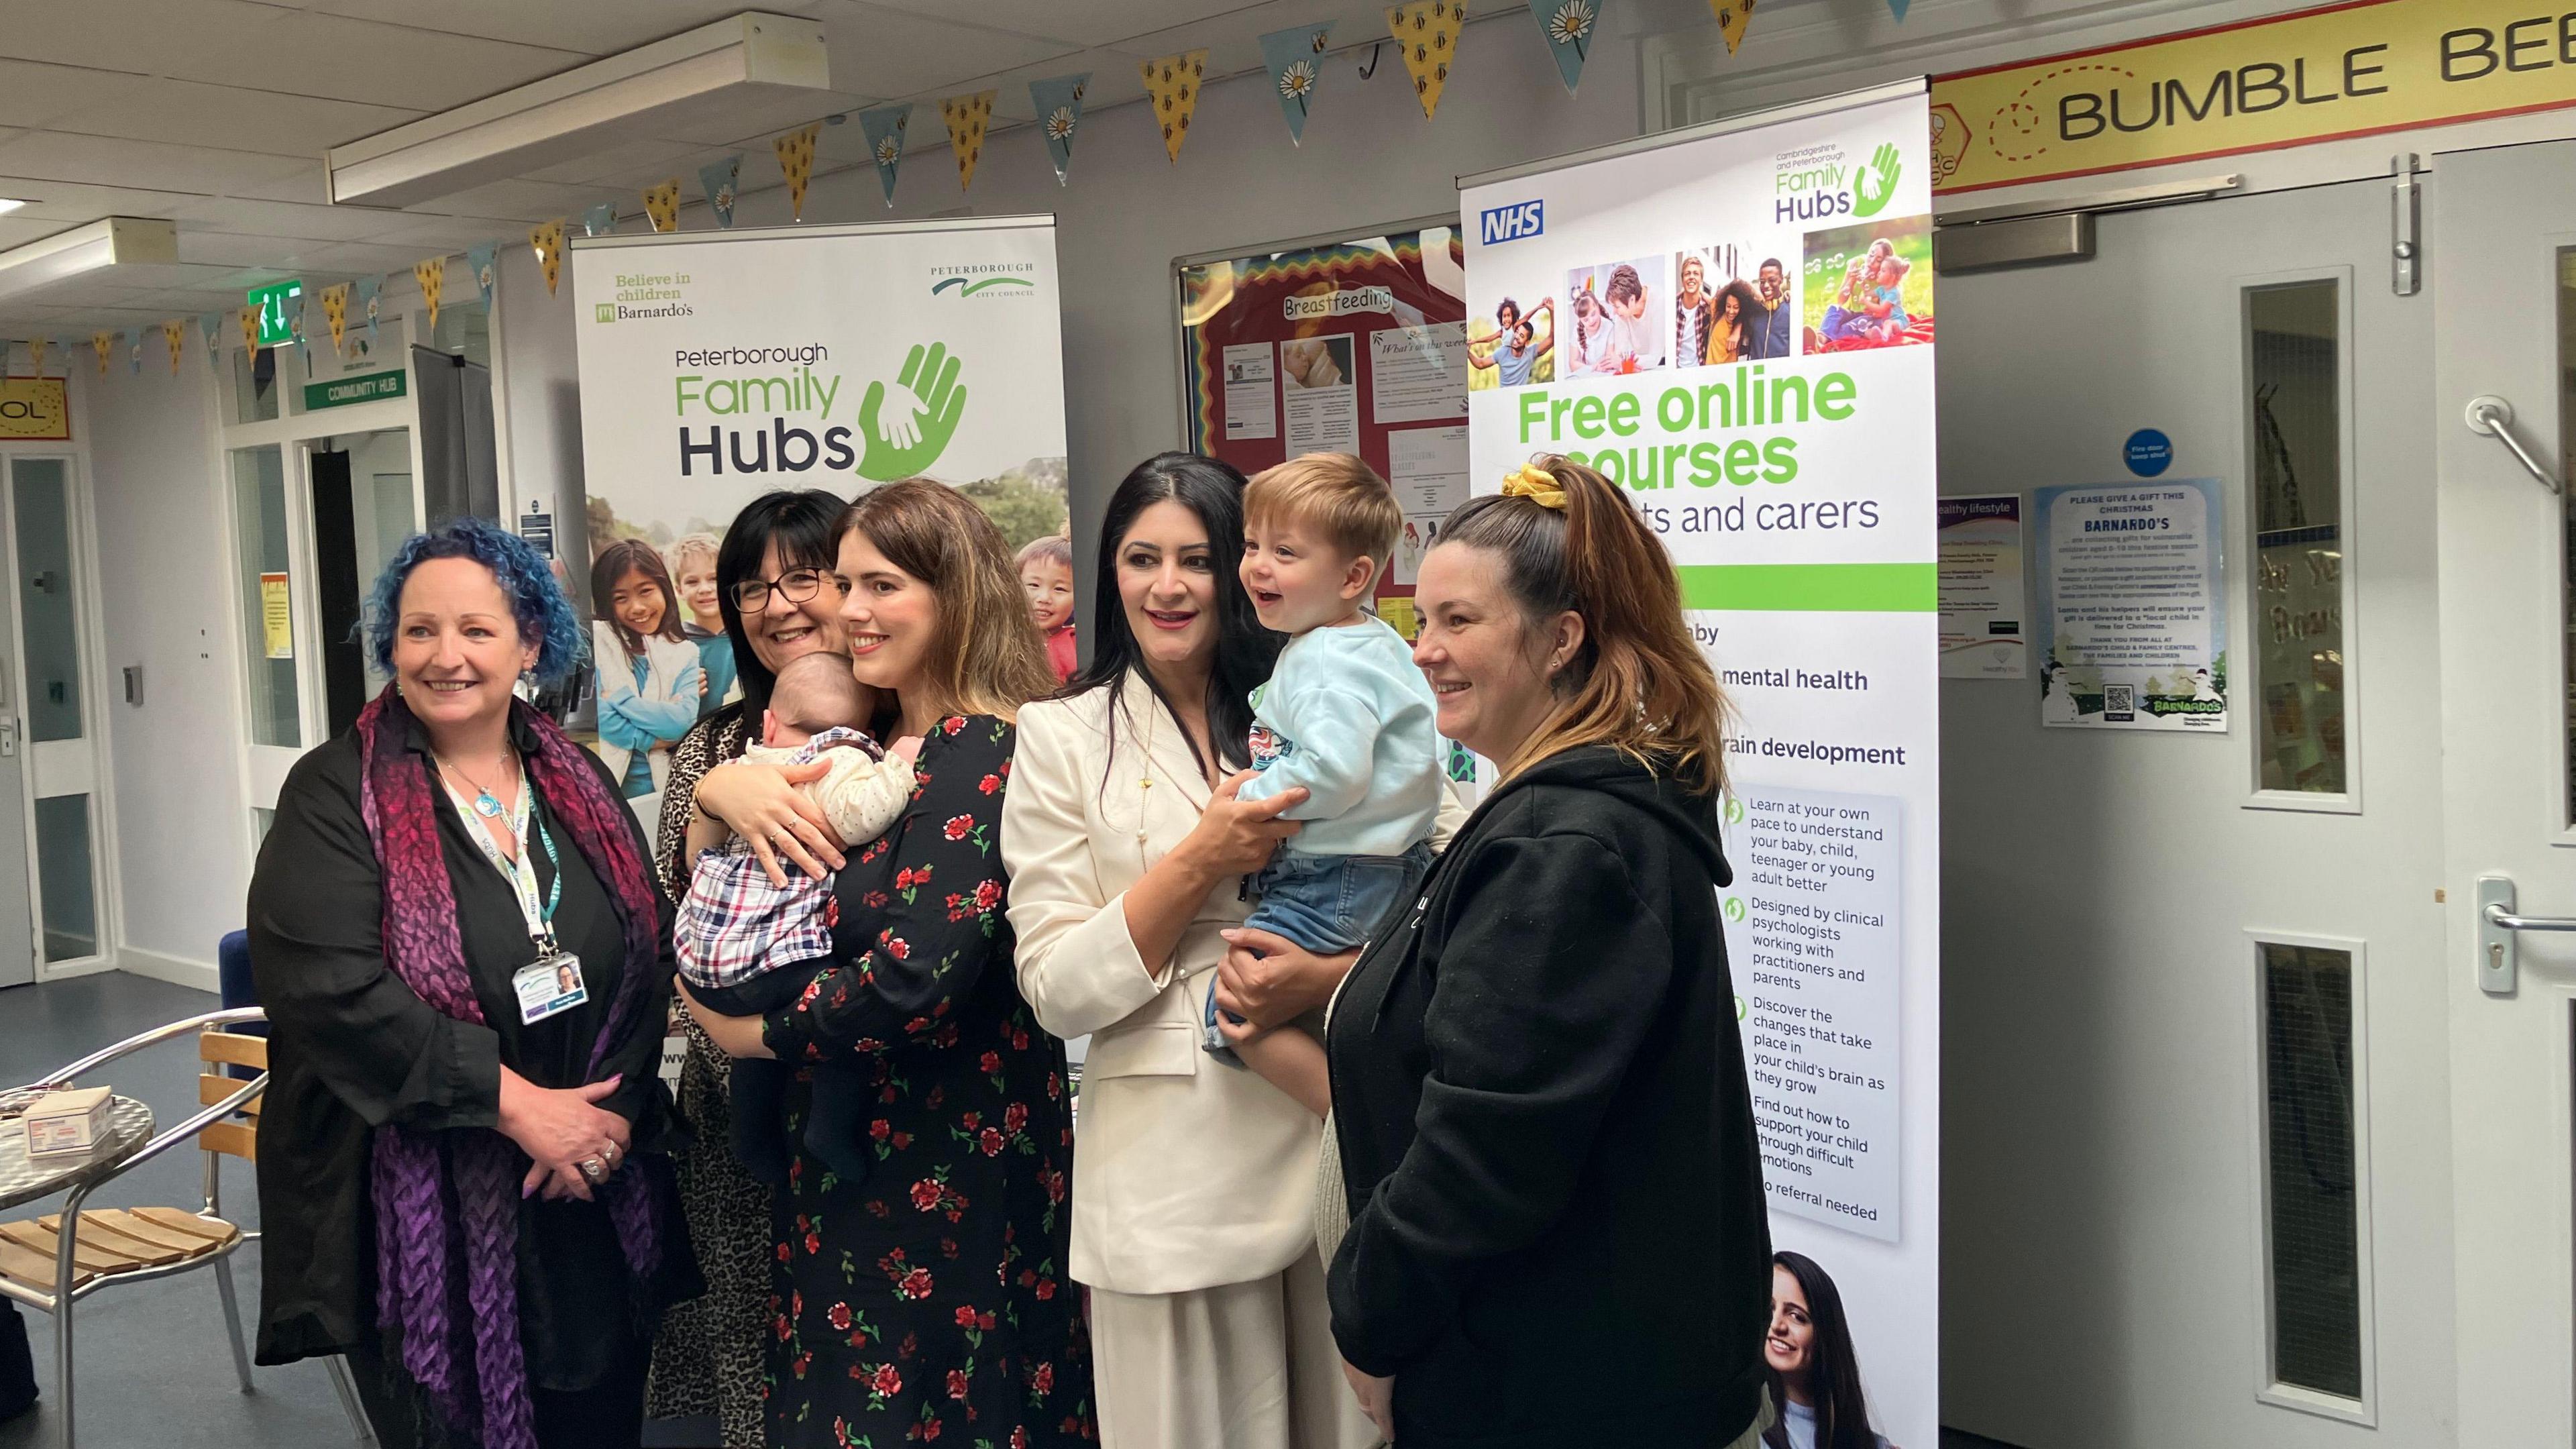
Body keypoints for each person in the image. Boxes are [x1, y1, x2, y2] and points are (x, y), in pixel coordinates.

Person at [1008, 452, 1456, 1449]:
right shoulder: (1059, 735)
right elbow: (1056, 990)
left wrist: (1329, 976)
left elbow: (1449, 884)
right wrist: (1201, 860)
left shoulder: (1325, 676)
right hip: (1175, 1185)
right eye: (1140, 558)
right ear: (1109, 576)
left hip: (1347, 1152)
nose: (1169, 586)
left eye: (1199, 559)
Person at [1322, 456, 1772, 1447]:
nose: (1425, 652)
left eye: (1459, 622)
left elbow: (1485, 1152)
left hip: (1566, 1396)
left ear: (1562, 638)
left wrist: (1368, 1316)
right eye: (1421, 621)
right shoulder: (1560, 817)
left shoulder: (1563, 849)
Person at [248, 517, 698, 1449]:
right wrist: (519, 1107)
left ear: (531, 643)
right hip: (423, 1206)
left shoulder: (576, 776)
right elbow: (334, 992)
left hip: (588, 1183)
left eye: (477, 631)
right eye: (420, 631)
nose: (446, 656)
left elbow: (646, 947)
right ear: (391, 644)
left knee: (599, 1418)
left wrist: (602, 1120)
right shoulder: (334, 794)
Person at [681, 480, 1093, 1448]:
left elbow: (918, 975)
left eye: (882, 586)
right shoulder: (868, 742)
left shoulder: (980, 743)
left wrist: (756, 1033)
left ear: (957, 595)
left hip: (944, 1161)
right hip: (853, 1167)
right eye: (848, 584)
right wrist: (720, 796)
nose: (851, 612)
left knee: (936, 1412)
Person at [643, 490, 857, 1448]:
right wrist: (709, 809)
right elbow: (667, 918)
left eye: (801, 577)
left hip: (882, 1100)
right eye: (750, 587)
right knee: (751, 1342)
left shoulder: (914, 729)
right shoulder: (711, 748)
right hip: (736, 1104)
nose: (776, 606)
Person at [1206, 454, 1440, 1102]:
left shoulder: (1324, 660)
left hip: (1337, 873)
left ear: (1354, 575)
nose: (1257, 565)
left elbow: (1336, 772)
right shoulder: (1369, 641)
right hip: (1385, 865)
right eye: (1252, 545)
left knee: (1233, 1010)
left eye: (1285, 551)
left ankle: (1363, 1122)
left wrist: (1247, 799)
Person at [672, 651, 916, 1186]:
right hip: (773, 961)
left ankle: (751, 1140)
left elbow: (692, 863)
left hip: (706, 964)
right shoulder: (842, 762)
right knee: (841, 1022)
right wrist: (899, 765)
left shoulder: (743, 763)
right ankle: (828, 1129)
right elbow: (861, 817)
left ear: (768, 722)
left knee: (756, 1060)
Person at [590, 539, 704, 826]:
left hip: (662, 794)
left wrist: (618, 698)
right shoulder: (598, 643)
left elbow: (679, 723)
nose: (637, 607)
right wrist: (650, 738)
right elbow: (600, 719)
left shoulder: (683, 652)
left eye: (646, 591)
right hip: (606, 793)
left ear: (664, 588)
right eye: (621, 598)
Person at [1764, 1252, 1897, 1449]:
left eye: (1796, 1316)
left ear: (1824, 1333)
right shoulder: (1734, 1420)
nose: (1777, 1325)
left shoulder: (1873, 1445)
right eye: (1769, 1309)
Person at [665, 533, 740, 716]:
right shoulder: (673, 643)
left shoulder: (747, 634)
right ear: (679, 590)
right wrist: (679, 694)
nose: (705, 589)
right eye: (692, 582)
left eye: (713, 578)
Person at [1020, 531, 1080, 682]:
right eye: (1034, 585)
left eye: (1060, 589)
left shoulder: (1077, 645)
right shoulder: (999, 639)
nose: (1044, 598)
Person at [1603, 262, 1659, 370]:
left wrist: (1624, 363)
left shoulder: (1658, 299)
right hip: (1640, 367)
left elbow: (1655, 358)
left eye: (1617, 307)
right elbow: (1620, 356)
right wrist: (1622, 363)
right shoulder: (1621, 315)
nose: (1614, 312)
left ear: (1632, 300)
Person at [1746, 257, 1794, 360]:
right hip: (1757, 373)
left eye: (1772, 280)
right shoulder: (1755, 310)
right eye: (1762, 281)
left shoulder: (1791, 310)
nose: (1766, 285)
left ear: (1781, 279)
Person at [1674, 254, 1715, 368]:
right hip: (1677, 369)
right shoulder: (1673, 308)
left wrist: (1706, 297)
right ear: (1682, 280)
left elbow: (1728, 311)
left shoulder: (1707, 309)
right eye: (1687, 274)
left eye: (1696, 274)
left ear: (1701, 280)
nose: (1691, 277)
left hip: (1700, 369)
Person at [1711, 280, 1762, 364]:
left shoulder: (1743, 324)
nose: (1731, 311)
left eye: (1736, 307)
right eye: (1728, 306)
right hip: (1709, 372)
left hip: (1728, 373)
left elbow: (1761, 300)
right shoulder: (1717, 313)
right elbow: (1700, 295)